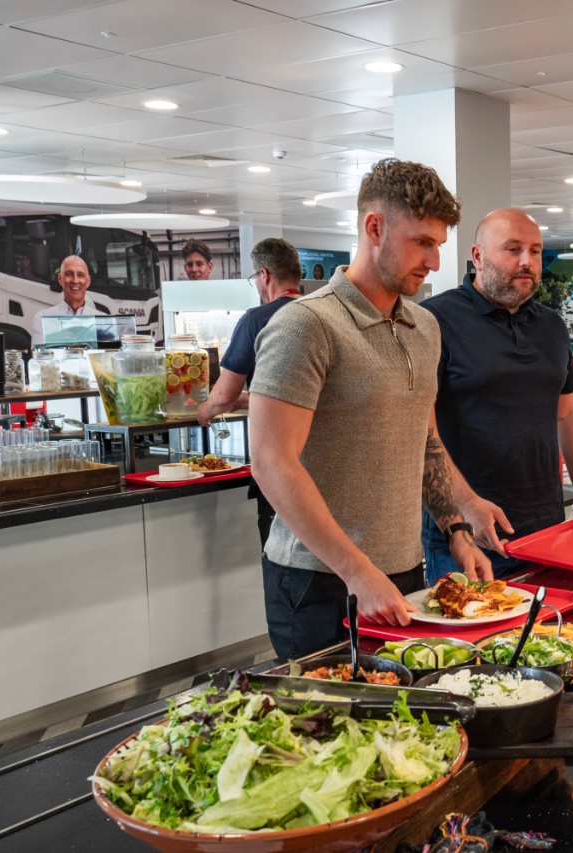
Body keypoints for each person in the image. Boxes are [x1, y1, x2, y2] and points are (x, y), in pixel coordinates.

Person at [249, 159, 490, 658]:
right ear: (374, 228)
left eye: (439, 245)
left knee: (405, 707)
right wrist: (358, 571)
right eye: (421, 242)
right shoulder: (305, 326)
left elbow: (423, 438)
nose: (434, 262)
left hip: (402, 571)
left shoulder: (425, 327)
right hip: (318, 581)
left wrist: (456, 530)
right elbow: (271, 461)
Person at [420, 208, 573, 580]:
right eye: (513, 249)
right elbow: (421, 432)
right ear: (477, 256)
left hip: (547, 527)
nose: (527, 261)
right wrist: (466, 505)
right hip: (467, 535)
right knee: (475, 622)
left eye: (535, 251)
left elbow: (569, 412)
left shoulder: (552, 325)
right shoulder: (433, 321)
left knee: (552, 618)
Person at [197, 237, 304, 547]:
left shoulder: (256, 320)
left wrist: (203, 410)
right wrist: (247, 401)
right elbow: (292, 393)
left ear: (264, 275)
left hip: (280, 462)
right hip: (327, 460)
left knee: (281, 552)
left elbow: (223, 396)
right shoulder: (324, 312)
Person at [31, 256, 105, 345]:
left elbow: (108, 353)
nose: (75, 280)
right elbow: (39, 353)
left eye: (80, 275)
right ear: (60, 279)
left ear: (88, 281)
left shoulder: (103, 320)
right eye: (69, 274)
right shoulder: (42, 319)